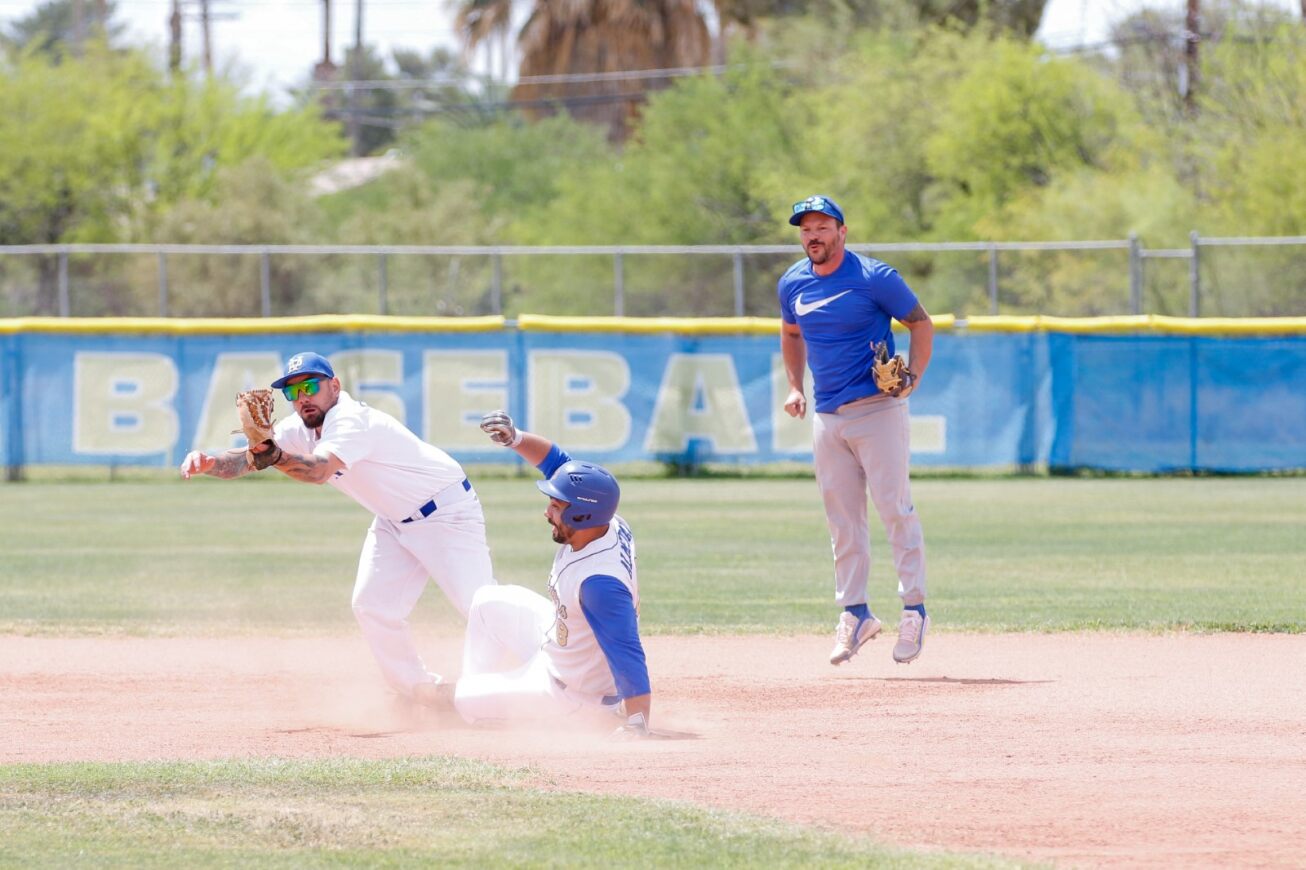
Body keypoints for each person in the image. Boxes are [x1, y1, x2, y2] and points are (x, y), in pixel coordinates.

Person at [179, 351, 495, 704]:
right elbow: (248, 460)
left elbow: (317, 471)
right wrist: (208, 461)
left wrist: (275, 456)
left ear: (334, 386)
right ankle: (420, 693)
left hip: (445, 512)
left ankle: (547, 675)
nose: (302, 398)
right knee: (372, 605)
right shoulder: (301, 429)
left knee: (481, 606)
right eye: (292, 392)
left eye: (310, 386)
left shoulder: (350, 420)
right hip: (393, 519)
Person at [777, 195, 935, 666]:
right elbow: (790, 333)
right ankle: (856, 614)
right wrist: (793, 386)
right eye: (806, 228)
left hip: (877, 410)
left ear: (842, 232)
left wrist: (913, 381)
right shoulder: (792, 283)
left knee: (894, 509)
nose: (813, 236)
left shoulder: (874, 277)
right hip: (828, 416)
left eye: (823, 227)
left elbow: (920, 324)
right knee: (842, 520)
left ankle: (914, 610)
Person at [425, 409, 652, 736]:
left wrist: (637, 723)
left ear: (581, 516)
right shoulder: (607, 519)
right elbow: (558, 463)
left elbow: (627, 649)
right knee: (488, 601)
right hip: (560, 642)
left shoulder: (600, 584)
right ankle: (480, 693)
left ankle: (473, 705)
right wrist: (516, 438)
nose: (547, 511)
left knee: (461, 699)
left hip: (575, 695)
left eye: (556, 506)